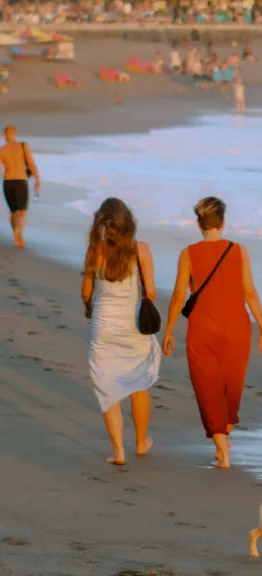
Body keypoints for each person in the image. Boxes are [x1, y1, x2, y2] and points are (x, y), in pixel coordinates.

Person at [162, 197, 262, 469]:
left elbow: (178, 296)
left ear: (199, 224)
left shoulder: (188, 254)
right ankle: (224, 441)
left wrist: (169, 329)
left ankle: (223, 450)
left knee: (207, 387)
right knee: (230, 388)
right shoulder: (239, 251)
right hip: (237, 328)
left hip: (203, 329)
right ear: (223, 222)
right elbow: (250, 291)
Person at [81, 198, 160, 465]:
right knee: (138, 384)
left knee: (107, 387)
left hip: (103, 326)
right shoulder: (142, 250)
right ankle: (140, 442)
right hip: (132, 327)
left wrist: (88, 307)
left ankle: (118, 451)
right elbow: (150, 292)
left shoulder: (95, 250)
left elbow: (86, 292)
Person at [0, 126, 40, 248]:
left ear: (5, 136)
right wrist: (37, 179)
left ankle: (15, 235)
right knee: (22, 212)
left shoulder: (2, 150)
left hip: (8, 182)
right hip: (20, 181)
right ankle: (20, 233)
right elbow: (31, 163)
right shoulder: (23, 146)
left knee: (13, 212)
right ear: (15, 134)